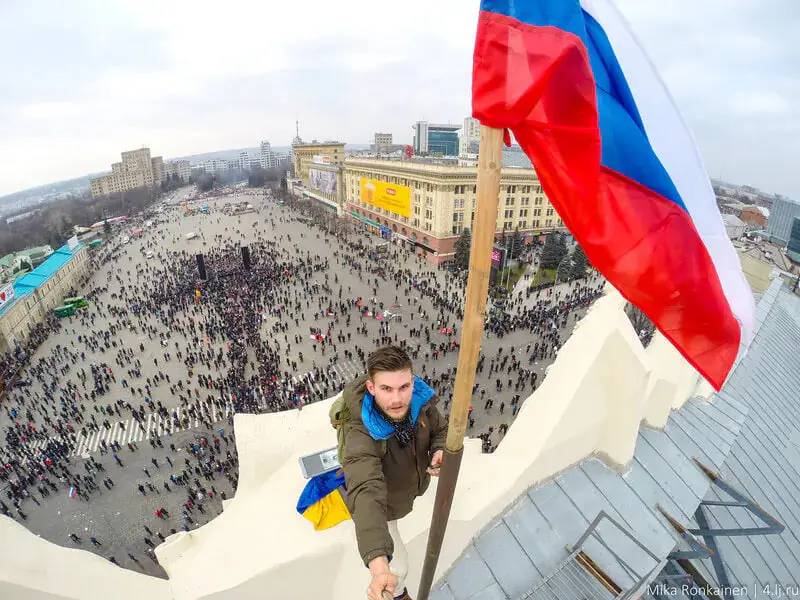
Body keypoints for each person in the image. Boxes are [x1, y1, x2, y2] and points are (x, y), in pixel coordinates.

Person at [340, 345, 447, 600]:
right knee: (398, 568)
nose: (397, 399)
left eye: (403, 387)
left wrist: (439, 450)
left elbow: (440, 430)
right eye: (386, 389)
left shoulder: (420, 402)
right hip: (384, 504)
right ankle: (400, 595)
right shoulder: (360, 432)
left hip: (404, 492)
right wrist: (378, 567)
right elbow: (366, 490)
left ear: (413, 382)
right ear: (371, 388)